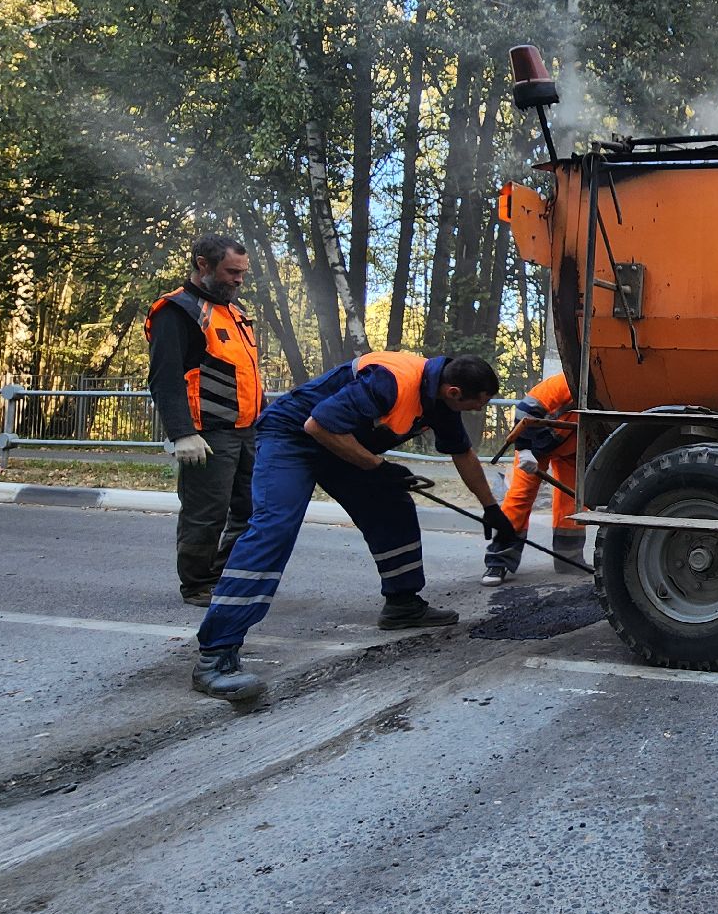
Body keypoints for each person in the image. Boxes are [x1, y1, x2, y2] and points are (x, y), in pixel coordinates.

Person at [190, 351, 515, 700]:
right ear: (454, 392)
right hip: (292, 438)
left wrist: (491, 509)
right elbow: (317, 425)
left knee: (392, 505)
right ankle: (216, 656)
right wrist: (378, 467)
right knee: (274, 530)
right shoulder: (390, 381)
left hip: (340, 444)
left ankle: (402, 604)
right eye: (477, 404)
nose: (478, 411)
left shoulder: (439, 398)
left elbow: (463, 454)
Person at [146, 235, 264, 608]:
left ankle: (227, 576)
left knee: (252, 508)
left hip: (247, 430)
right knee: (206, 513)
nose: (238, 280)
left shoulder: (234, 311)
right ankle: (198, 585)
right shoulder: (177, 311)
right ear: (203, 265)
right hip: (208, 434)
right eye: (231, 272)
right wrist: (183, 434)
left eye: (242, 273)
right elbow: (165, 378)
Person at [482, 371, 583, 585]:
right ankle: (498, 561)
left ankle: (569, 559)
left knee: (572, 502)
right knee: (520, 497)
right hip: (533, 445)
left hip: (572, 450)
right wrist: (523, 449)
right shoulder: (568, 381)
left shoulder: (613, 391)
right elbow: (526, 409)